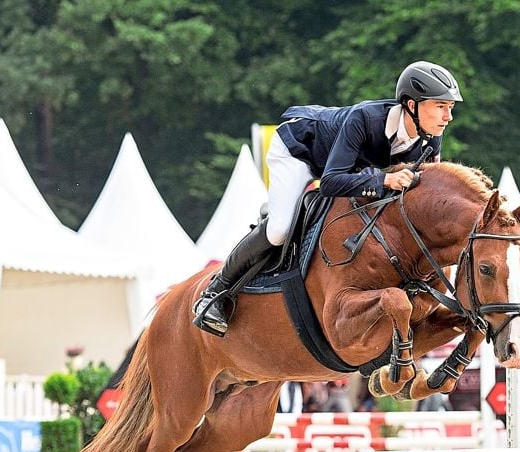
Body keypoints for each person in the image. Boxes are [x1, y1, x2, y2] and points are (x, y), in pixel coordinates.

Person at [193, 61, 462, 335]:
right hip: (300, 152)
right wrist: (384, 180)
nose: (448, 117)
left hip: (349, 168)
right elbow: (331, 182)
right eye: (441, 106)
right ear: (412, 105)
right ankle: (216, 291)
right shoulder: (365, 119)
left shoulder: (430, 137)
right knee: (279, 230)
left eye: (450, 108)